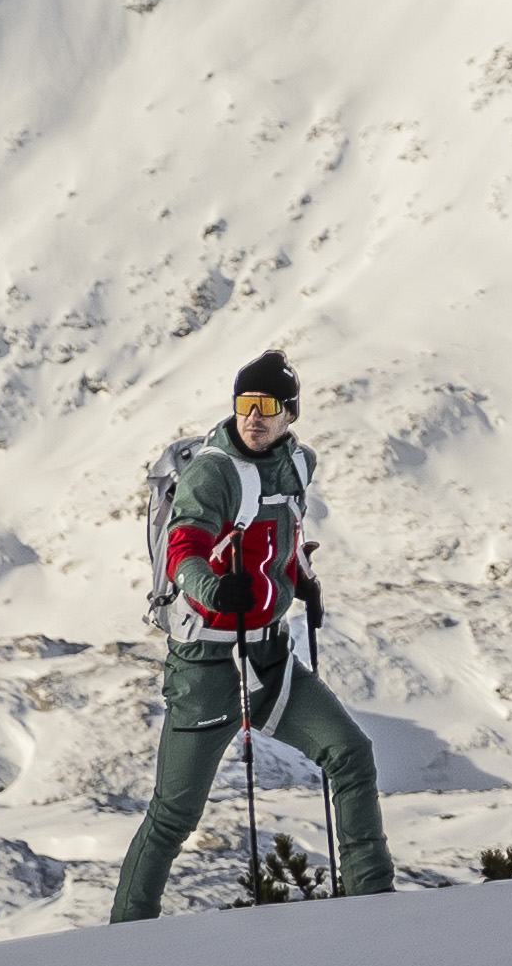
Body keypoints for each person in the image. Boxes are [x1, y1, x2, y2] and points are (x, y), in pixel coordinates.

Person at [112, 347, 396, 921]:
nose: (253, 417)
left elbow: (280, 538)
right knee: (174, 814)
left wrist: (300, 578)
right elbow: (185, 548)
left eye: (266, 406)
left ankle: (374, 909)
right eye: (245, 404)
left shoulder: (297, 464)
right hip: (205, 667)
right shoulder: (212, 472)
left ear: (290, 413)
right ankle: (124, 933)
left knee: (350, 754)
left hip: (269, 657)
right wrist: (212, 591)